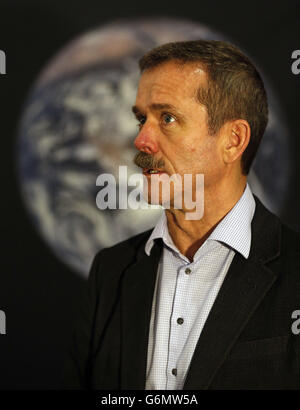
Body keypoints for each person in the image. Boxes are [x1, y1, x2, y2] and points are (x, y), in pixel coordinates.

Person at [62, 40, 300, 389]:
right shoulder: (110, 273)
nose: (141, 140)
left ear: (233, 140)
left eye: (167, 118)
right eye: (142, 118)